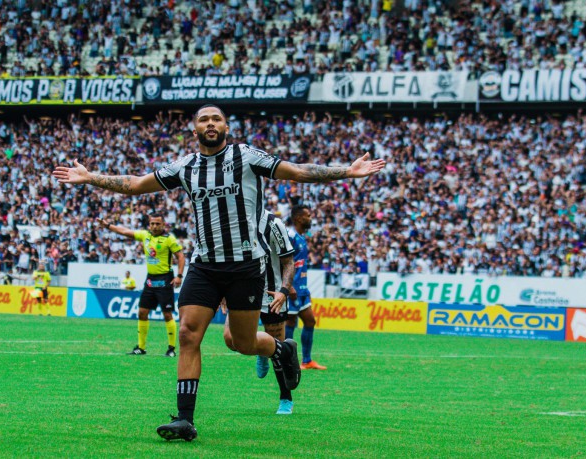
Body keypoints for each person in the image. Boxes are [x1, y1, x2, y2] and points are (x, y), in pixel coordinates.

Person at [52, 104, 386, 442]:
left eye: (217, 119)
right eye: (203, 120)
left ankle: (281, 349)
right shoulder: (186, 166)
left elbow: (297, 171)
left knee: (241, 343)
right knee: (187, 334)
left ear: (226, 127)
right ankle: (185, 419)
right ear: (194, 130)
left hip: (245, 266)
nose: (211, 124)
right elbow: (137, 184)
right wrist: (90, 177)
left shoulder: (247, 156)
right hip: (204, 265)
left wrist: (347, 171)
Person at [222, 211, 297, 414]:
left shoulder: (273, 223)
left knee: (279, 353)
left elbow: (288, 262)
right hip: (242, 290)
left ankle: (285, 398)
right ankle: (263, 346)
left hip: (271, 294)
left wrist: (283, 291)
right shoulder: (232, 220)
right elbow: (227, 259)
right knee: (230, 339)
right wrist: (223, 291)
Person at [98, 213, 185, 357]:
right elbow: (125, 232)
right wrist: (108, 226)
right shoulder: (145, 235)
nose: (155, 226)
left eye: (158, 224)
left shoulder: (169, 239)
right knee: (142, 312)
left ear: (163, 225)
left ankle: (171, 348)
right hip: (150, 280)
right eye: (152, 224)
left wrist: (179, 276)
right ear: (149, 224)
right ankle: (141, 347)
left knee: (167, 314)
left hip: (165, 280)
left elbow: (180, 256)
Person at [285, 205, 327, 370]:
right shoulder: (290, 236)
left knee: (310, 321)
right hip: (292, 289)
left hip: (302, 289)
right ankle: (288, 360)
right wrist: (288, 286)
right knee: (290, 322)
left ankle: (307, 360)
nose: (311, 218)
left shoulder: (301, 237)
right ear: (298, 218)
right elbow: (282, 261)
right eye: (308, 215)